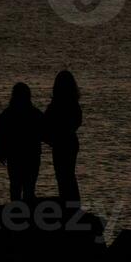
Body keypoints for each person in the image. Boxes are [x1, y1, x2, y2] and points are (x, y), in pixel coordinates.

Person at [0, 83, 44, 202]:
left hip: (15, 156)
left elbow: (0, 135)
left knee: (15, 187)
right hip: (31, 155)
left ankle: (16, 214)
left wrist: (1, 152)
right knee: (28, 188)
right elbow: (45, 132)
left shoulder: (7, 114)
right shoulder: (35, 113)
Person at [43, 70, 83, 205]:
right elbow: (78, 121)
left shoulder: (55, 105)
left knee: (62, 175)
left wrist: (51, 137)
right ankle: (73, 203)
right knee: (69, 174)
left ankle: (68, 203)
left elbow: (45, 123)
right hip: (70, 142)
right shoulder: (73, 104)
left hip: (60, 144)